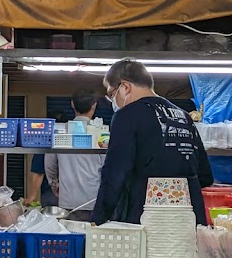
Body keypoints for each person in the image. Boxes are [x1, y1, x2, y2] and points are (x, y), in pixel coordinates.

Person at [91, 59, 212, 225]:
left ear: (125, 87)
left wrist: (97, 221)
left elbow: (115, 174)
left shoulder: (127, 115)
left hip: (149, 224)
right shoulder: (184, 116)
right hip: (188, 223)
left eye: (112, 94)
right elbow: (205, 176)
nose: (113, 101)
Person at [43, 88, 104, 221]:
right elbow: (107, 167)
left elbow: (49, 164)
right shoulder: (101, 134)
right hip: (93, 200)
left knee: (70, 237)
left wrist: (54, 183)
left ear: (72, 104)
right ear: (94, 105)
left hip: (67, 200)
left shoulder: (61, 131)